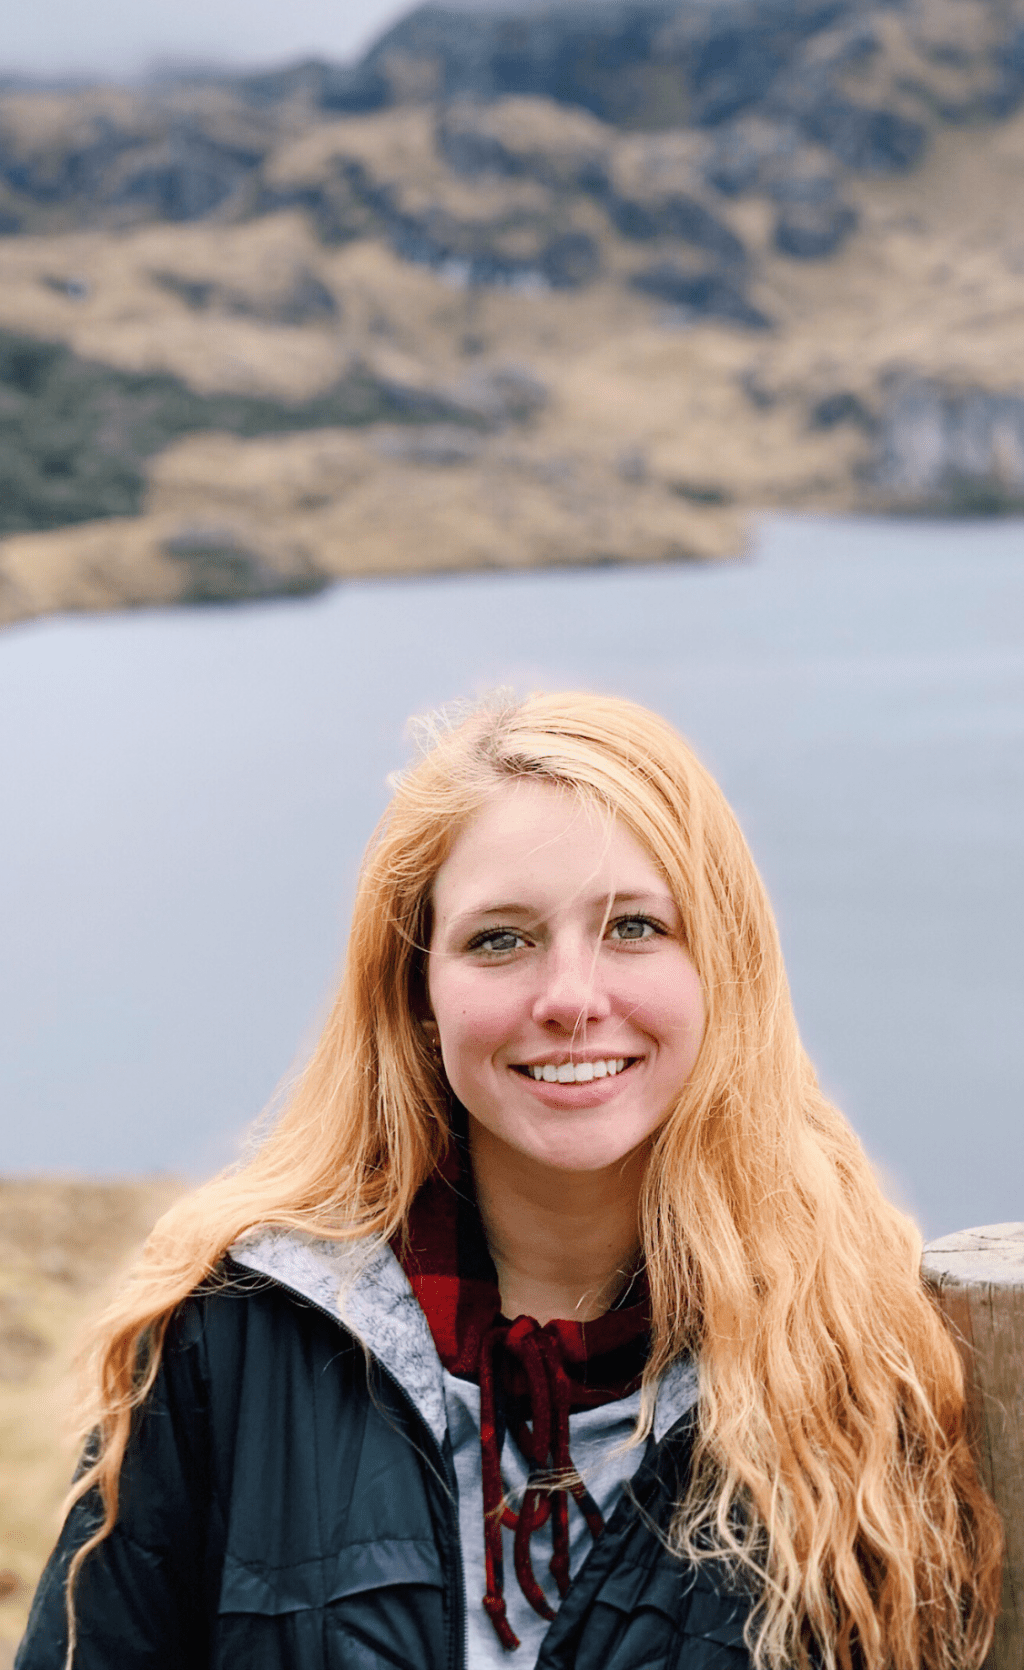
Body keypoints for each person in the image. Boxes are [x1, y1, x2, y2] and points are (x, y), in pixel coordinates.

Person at [17, 691, 1003, 1670]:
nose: (572, 998)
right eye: (501, 939)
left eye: (633, 928)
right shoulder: (231, 1338)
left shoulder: (857, 1368)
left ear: (723, 965)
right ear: (419, 996)